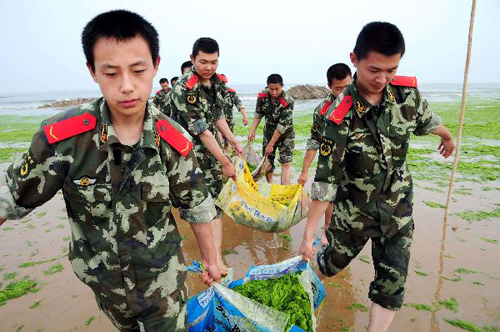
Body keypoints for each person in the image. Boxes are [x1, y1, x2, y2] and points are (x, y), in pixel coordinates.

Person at [0, 10, 221, 331]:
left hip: (164, 282)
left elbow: (197, 206)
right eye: (112, 73)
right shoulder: (63, 138)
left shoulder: (172, 139)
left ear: (155, 65)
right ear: (92, 71)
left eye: (138, 70)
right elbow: (11, 198)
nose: (128, 86)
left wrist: (212, 262)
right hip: (104, 284)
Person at [298, 21, 454, 332]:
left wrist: (447, 136)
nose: (382, 79)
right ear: (355, 60)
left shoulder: (405, 95)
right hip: (353, 215)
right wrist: (308, 234)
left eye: (391, 70)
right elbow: (326, 179)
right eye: (374, 70)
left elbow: (427, 120)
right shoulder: (338, 115)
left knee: (391, 287)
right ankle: (308, 267)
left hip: (398, 211)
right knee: (329, 267)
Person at [170, 37, 243, 276]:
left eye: (214, 62)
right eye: (203, 62)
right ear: (192, 59)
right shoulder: (184, 88)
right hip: (187, 159)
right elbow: (201, 131)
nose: (209, 67)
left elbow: (218, 116)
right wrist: (226, 162)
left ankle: (217, 259)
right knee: (201, 211)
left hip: (212, 156)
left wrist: (233, 141)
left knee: (217, 208)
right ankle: (208, 263)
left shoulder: (215, 83)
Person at [298, 63, 352, 245]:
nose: (344, 92)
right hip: (332, 163)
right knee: (328, 197)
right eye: (338, 88)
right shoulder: (323, 110)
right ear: (329, 86)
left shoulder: (364, 102)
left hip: (357, 165)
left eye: (347, 86)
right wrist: (304, 171)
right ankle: (328, 228)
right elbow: (314, 142)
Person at [248, 74, 294, 185]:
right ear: (267, 86)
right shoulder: (262, 96)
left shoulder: (287, 101)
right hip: (269, 132)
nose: (274, 92)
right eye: (271, 89)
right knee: (267, 162)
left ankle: (284, 190)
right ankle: (270, 187)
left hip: (285, 135)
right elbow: (258, 114)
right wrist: (252, 131)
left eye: (276, 89)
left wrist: (271, 144)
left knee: (286, 163)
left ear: (282, 86)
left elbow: (282, 126)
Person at [222, 85, 248, 152]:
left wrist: (244, 116)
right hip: (214, 123)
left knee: (227, 143)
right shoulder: (210, 91)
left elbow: (239, 105)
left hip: (228, 123)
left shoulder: (230, 92)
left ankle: (226, 157)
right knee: (217, 143)